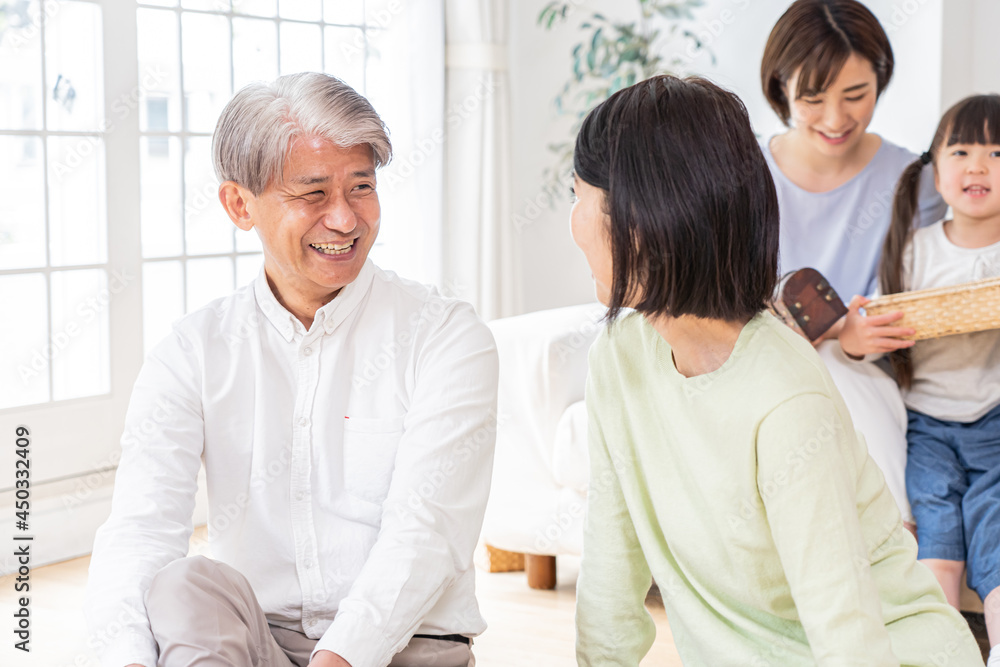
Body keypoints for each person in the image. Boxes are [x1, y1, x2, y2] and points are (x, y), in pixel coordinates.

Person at [83, 73, 499, 667]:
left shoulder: (444, 336)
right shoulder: (194, 350)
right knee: (183, 585)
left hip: (403, 650)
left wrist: (339, 656)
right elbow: (140, 530)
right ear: (240, 205)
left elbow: (426, 532)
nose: (345, 219)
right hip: (257, 643)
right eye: (313, 194)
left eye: (361, 187)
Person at [571, 74, 982, 665]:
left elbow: (845, 629)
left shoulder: (784, 396)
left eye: (578, 195)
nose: (573, 224)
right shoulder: (617, 357)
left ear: (642, 220)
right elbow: (611, 566)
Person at [759, 0, 948, 524]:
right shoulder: (745, 171)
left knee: (836, 376)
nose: (836, 119)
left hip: (862, 368)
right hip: (759, 357)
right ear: (780, 87)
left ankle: (892, 542)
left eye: (856, 95)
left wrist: (853, 334)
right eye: (812, 98)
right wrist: (831, 327)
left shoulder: (916, 181)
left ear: (880, 81)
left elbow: (919, 297)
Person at [840, 94, 1000, 663]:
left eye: (997, 153)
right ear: (935, 170)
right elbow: (872, 334)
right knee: (936, 532)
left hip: (996, 421)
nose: (978, 165)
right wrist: (854, 337)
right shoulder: (915, 251)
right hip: (928, 424)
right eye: (961, 151)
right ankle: (941, 653)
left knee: (995, 527)